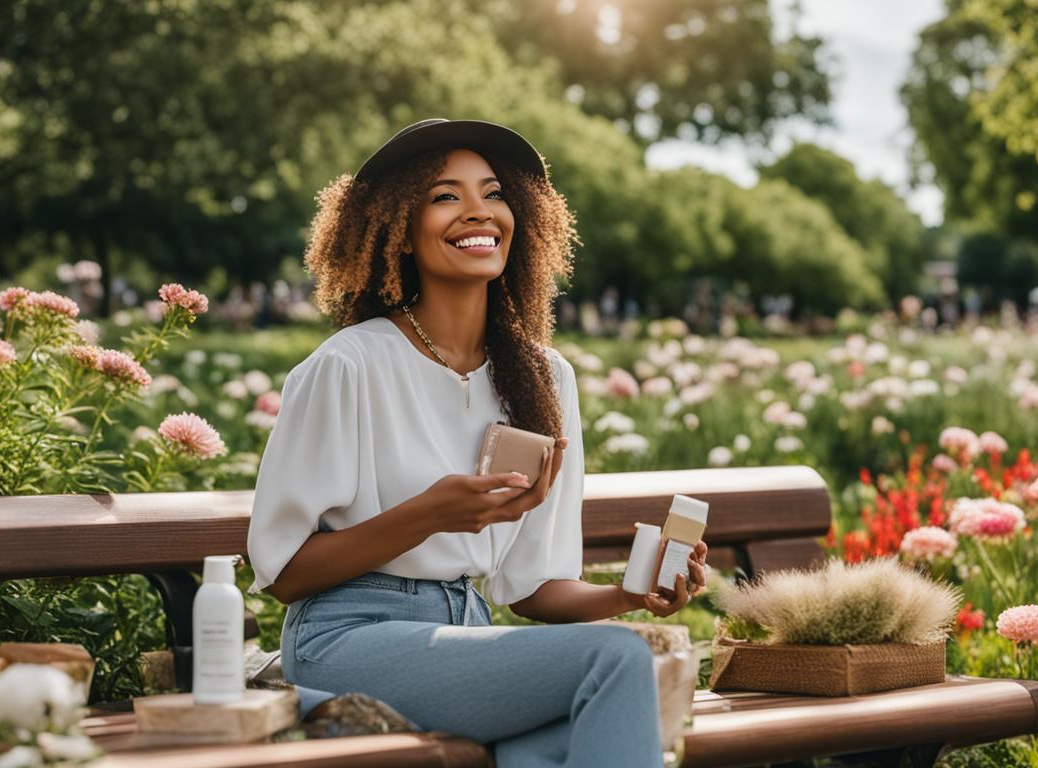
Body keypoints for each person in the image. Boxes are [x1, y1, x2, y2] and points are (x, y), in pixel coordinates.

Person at [246, 119, 707, 767]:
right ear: (397, 230)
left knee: (559, 739)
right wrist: (433, 513)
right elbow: (286, 574)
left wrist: (629, 595)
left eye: (493, 193)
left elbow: (532, 587)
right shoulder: (348, 365)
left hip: (467, 638)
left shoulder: (545, 379)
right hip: (349, 636)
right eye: (444, 197)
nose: (477, 212)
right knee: (618, 660)